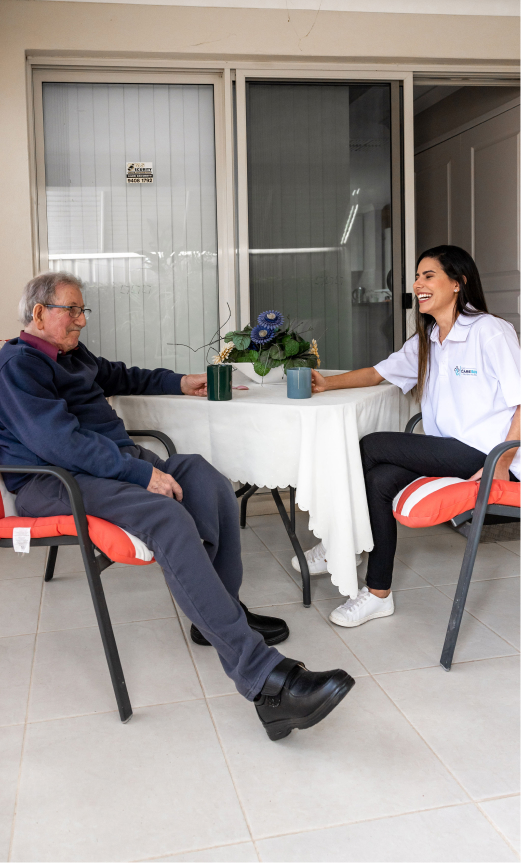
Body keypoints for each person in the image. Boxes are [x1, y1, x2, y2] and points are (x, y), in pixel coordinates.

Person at [0, 272, 354, 740]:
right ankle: (263, 680)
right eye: (73, 310)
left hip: (107, 465)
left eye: (84, 311)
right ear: (39, 312)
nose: (82, 321)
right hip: (55, 482)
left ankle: (217, 616)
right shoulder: (18, 365)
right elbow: (59, 443)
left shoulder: (70, 355)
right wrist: (142, 473)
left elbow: (121, 375)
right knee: (166, 517)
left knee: (207, 480)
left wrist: (180, 381)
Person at [304, 245, 520, 628]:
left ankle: (343, 540)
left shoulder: (490, 331)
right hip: (448, 452)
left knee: (370, 445)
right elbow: (377, 373)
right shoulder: (429, 338)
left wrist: (501, 462)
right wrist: (326, 384)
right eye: (417, 277)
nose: (417, 284)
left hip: (487, 456)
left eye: (428, 275)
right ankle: (378, 594)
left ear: (458, 283)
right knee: (379, 480)